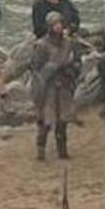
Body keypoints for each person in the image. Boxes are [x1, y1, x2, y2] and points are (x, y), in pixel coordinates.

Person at [30, 12, 79, 161]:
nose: (58, 26)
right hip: (48, 87)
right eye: (55, 24)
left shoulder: (68, 43)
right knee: (46, 120)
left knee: (63, 120)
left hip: (64, 84)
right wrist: (53, 67)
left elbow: (77, 62)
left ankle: (62, 151)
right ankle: (41, 151)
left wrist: (71, 69)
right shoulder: (41, 45)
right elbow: (37, 69)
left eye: (59, 23)